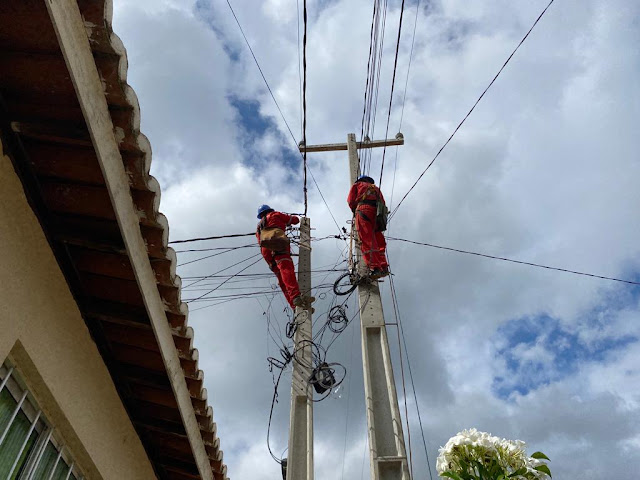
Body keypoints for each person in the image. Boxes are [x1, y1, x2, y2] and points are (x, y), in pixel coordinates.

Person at [256, 205, 314, 310]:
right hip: (277, 242)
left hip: (265, 250)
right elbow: (295, 220)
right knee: (286, 268)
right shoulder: (275, 214)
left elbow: (259, 240)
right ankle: (296, 296)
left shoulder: (259, 226)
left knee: (281, 278)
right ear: (269, 210)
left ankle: (294, 306)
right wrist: (286, 221)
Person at [347, 176, 389, 278]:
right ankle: (383, 266)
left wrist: (354, 210)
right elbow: (383, 202)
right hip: (377, 214)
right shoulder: (376, 188)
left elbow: (351, 201)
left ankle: (375, 268)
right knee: (378, 240)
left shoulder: (357, 185)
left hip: (363, 210)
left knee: (366, 239)